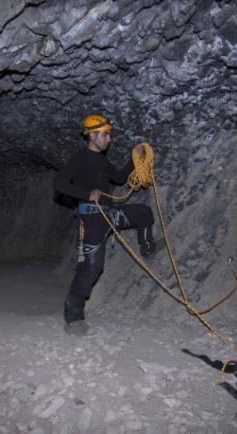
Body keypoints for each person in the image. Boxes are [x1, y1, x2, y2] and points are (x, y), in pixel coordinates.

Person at [53, 114, 156, 335]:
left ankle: (148, 249)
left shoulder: (102, 160)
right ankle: (73, 316)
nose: (109, 139)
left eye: (109, 134)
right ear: (92, 135)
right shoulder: (80, 158)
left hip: (110, 213)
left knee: (144, 213)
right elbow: (59, 182)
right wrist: (86, 194)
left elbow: (119, 178)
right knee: (92, 267)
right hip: (91, 218)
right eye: (106, 134)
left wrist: (133, 157)